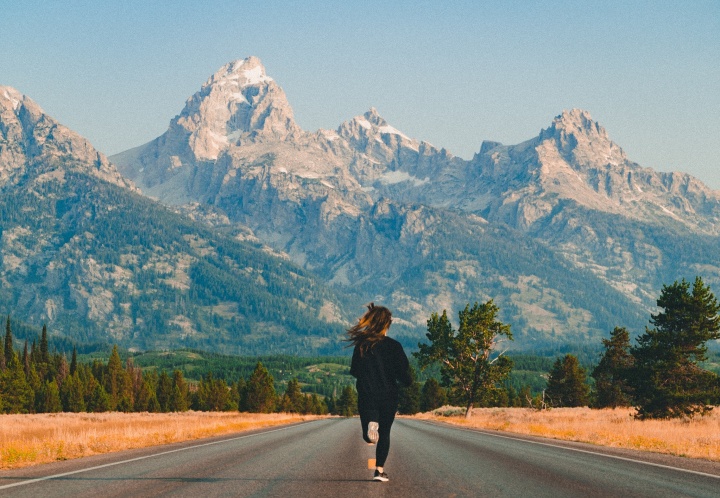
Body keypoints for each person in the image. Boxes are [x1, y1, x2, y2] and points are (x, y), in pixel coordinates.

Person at [348, 303, 412, 482]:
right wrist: (408, 381)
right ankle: (379, 471)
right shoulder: (395, 346)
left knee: (368, 436)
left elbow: (355, 371)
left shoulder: (361, 345)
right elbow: (403, 372)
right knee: (385, 434)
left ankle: (370, 424)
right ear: (387, 324)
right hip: (389, 395)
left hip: (367, 394)